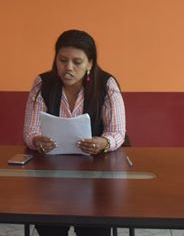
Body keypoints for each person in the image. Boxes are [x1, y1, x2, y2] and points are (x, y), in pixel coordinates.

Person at [23, 29, 126, 236]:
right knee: (50, 227)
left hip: (96, 173)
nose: (68, 67)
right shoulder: (43, 83)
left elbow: (117, 131)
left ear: (90, 64)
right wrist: (37, 140)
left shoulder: (106, 85)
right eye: (62, 60)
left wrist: (103, 143)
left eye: (77, 62)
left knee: (93, 229)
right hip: (52, 172)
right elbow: (30, 130)